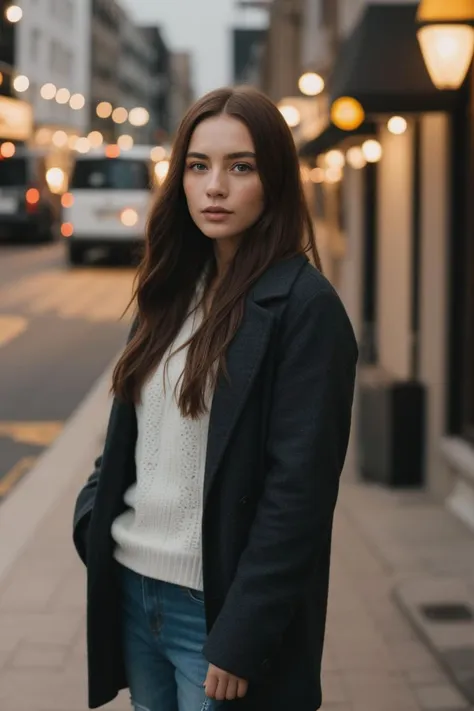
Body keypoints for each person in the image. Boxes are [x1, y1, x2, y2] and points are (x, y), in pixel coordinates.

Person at [72, 86, 358, 711]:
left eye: (241, 166)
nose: (215, 187)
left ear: (275, 180)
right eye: (198, 166)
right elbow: (134, 429)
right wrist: (92, 518)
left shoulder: (306, 309)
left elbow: (300, 495)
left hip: (213, 615)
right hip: (133, 591)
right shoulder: (171, 289)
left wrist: (242, 635)